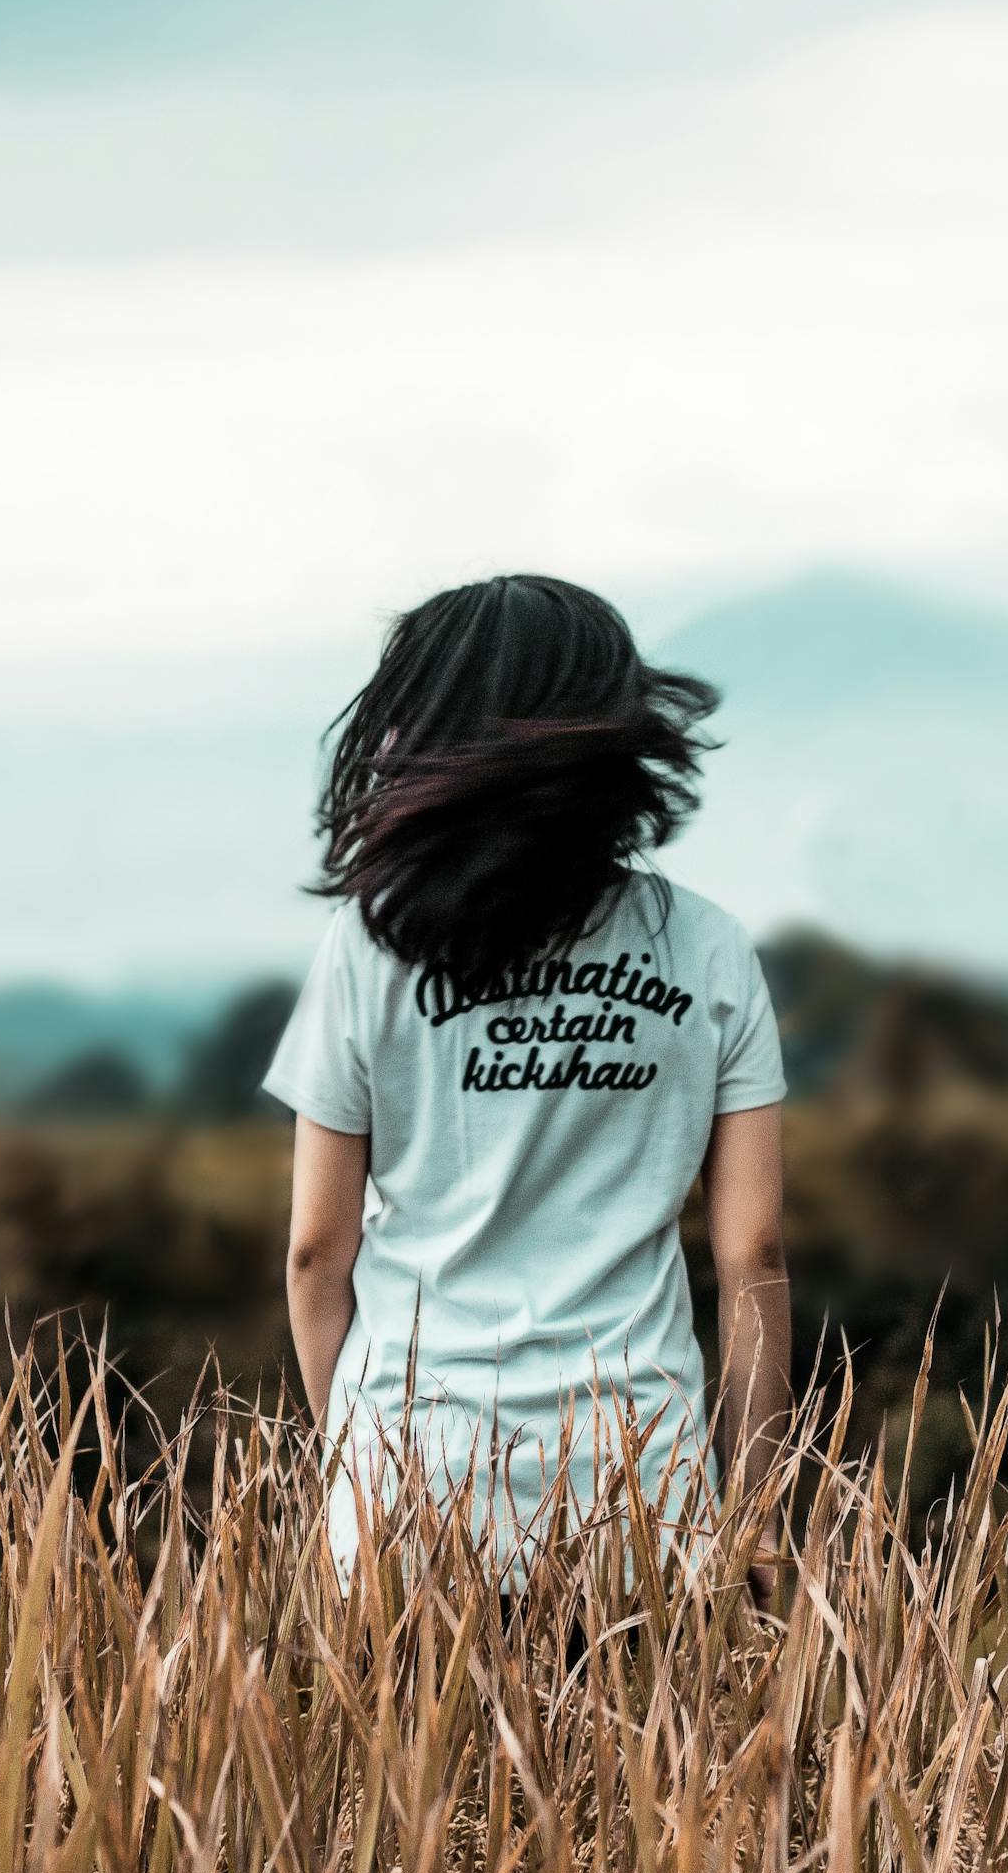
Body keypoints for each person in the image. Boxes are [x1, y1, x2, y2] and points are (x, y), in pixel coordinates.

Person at [261, 574, 791, 1590]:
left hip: (409, 1498)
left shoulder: (372, 950)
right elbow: (754, 1254)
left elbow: (314, 1252)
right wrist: (756, 1515)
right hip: (642, 1499)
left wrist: (353, 1469)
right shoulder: (710, 949)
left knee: (407, 1761)